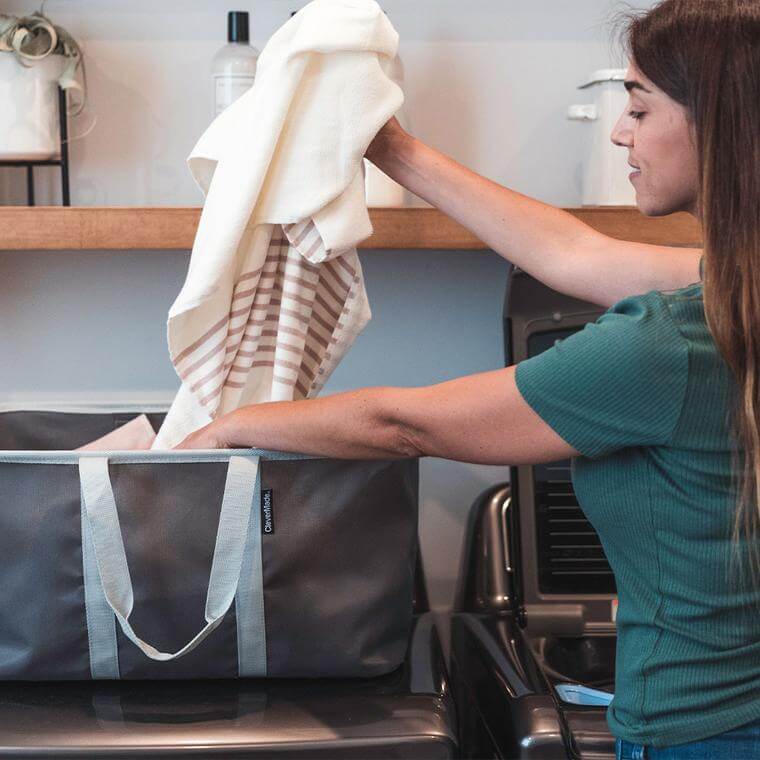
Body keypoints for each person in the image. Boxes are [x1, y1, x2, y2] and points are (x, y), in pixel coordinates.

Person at [177, 1, 760, 755]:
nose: (621, 130)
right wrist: (389, 147)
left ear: (719, 124)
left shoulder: (666, 346)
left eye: (640, 106)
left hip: (697, 737)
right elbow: (572, 255)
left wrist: (233, 422)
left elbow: (406, 424)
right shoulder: (734, 295)